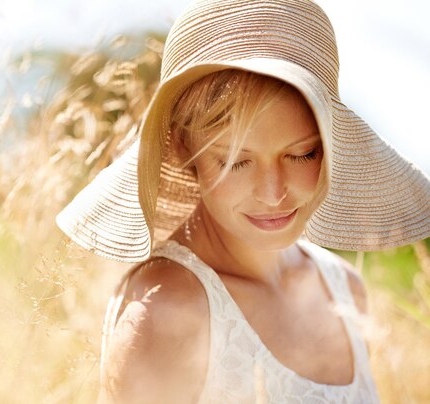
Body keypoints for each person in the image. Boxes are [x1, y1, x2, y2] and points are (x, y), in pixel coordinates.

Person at [56, 0, 430, 402]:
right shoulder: (166, 311)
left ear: (330, 144)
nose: (274, 193)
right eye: (236, 161)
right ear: (183, 148)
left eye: (301, 154)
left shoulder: (345, 290)